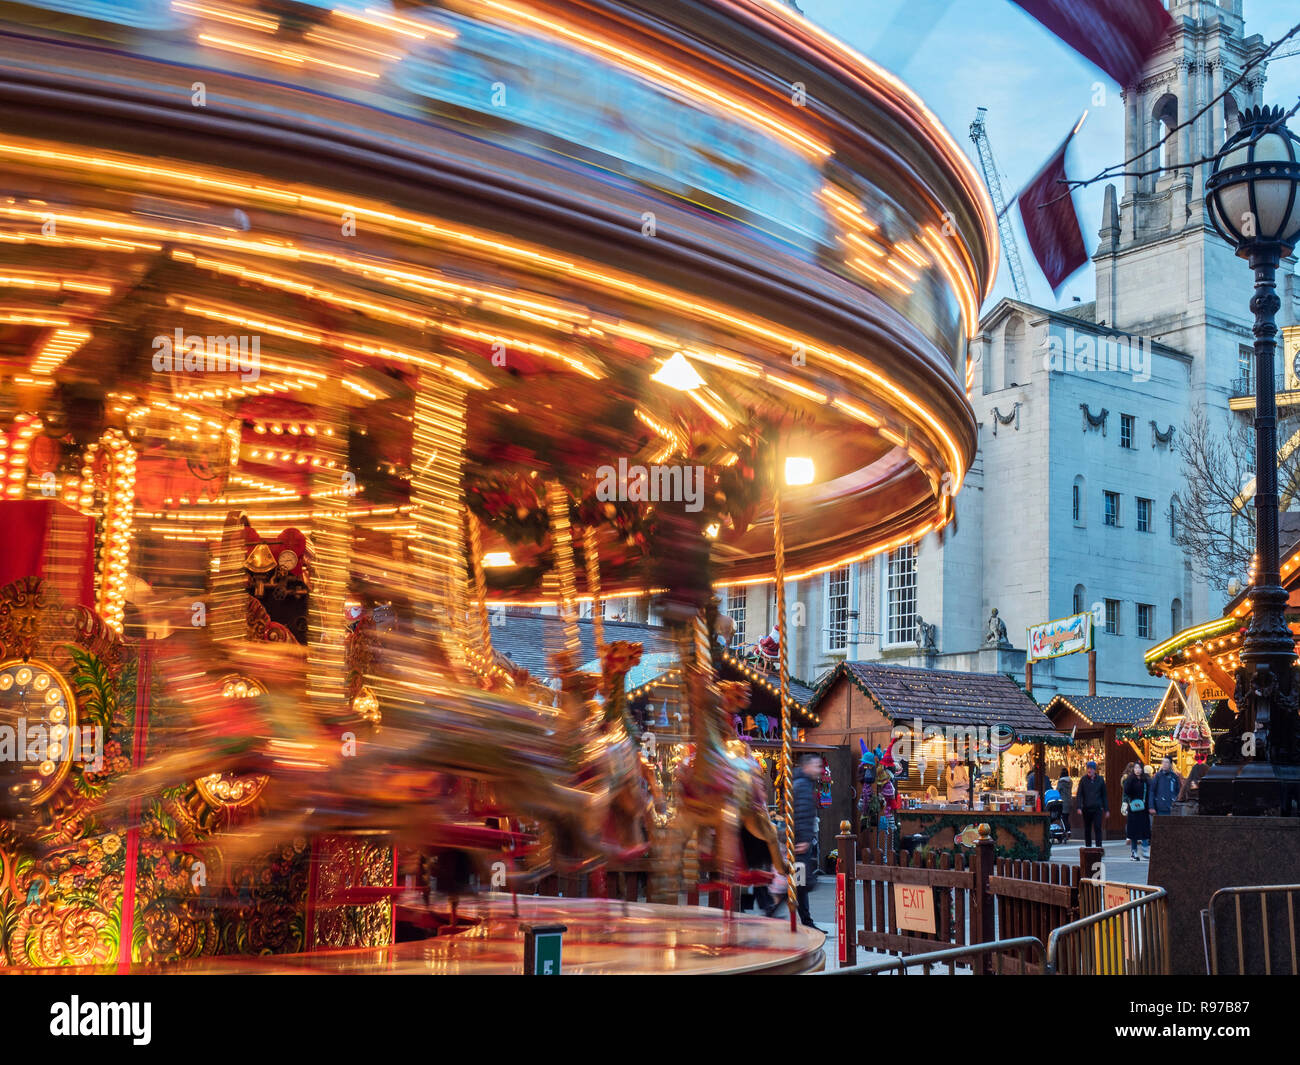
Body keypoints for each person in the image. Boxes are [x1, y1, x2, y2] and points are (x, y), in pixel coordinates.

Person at [791, 753, 825, 931]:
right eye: (816, 766)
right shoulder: (802, 786)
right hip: (800, 843)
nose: (819, 770)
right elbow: (801, 814)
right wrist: (803, 839)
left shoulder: (803, 784)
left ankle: (806, 921)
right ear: (806, 766)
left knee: (801, 883)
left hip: (800, 841)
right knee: (801, 883)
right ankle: (773, 910)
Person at [1075, 760, 1108, 847]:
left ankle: (1099, 847)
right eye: (1088, 768)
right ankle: (1088, 847)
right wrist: (1079, 807)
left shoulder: (1100, 780)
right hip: (1087, 808)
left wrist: (1106, 809)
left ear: (1095, 770)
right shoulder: (1083, 780)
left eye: (1091, 769)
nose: (1089, 770)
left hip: (1097, 808)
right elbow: (1079, 794)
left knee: (1098, 828)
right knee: (1087, 829)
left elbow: (1104, 795)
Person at [1124, 762, 1152, 860]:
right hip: (1133, 809)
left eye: (1139, 768)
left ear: (1142, 769)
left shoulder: (1146, 780)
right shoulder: (1130, 779)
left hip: (1143, 808)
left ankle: (1145, 850)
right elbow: (1126, 792)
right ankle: (1134, 852)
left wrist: (1150, 806)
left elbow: (1149, 793)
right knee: (1133, 832)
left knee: (1145, 830)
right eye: (1136, 768)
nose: (1137, 770)